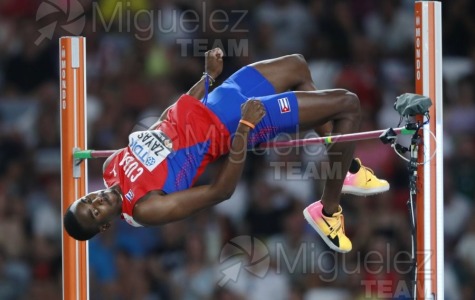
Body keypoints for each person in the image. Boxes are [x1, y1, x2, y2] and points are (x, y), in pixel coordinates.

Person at [64, 48, 389, 253]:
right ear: (105, 225)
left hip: (218, 97)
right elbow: (221, 191)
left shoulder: (111, 166)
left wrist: (207, 78)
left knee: (297, 66)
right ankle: (329, 210)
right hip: (235, 122)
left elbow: (166, 121)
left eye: (86, 200)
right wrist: (246, 128)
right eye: (94, 212)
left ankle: (343, 167)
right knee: (348, 104)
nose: (96, 201)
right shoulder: (144, 209)